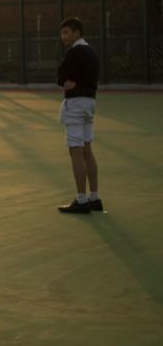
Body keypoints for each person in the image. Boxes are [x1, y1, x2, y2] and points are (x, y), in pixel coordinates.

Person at [56, 17, 103, 214]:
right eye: (62, 33)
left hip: (76, 103)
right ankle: (95, 198)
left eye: (67, 32)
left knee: (75, 151)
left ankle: (81, 200)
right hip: (90, 103)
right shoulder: (91, 51)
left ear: (77, 33)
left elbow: (60, 76)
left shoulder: (75, 51)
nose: (63, 36)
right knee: (87, 150)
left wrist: (64, 82)